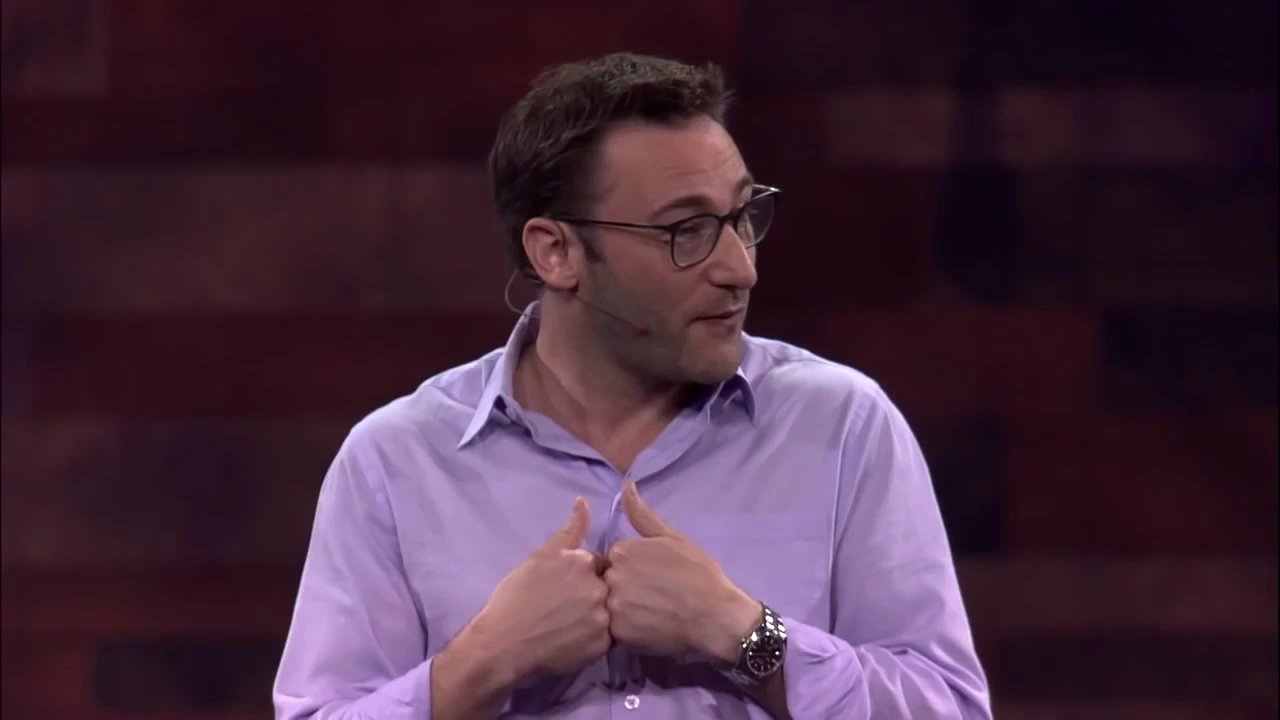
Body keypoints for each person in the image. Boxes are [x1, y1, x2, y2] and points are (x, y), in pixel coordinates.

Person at [273, 52, 991, 720]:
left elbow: (949, 707)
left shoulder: (841, 427)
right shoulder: (396, 463)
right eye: (687, 230)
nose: (740, 268)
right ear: (555, 252)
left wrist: (747, 634)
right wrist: (482, 663)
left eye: (742, 216)